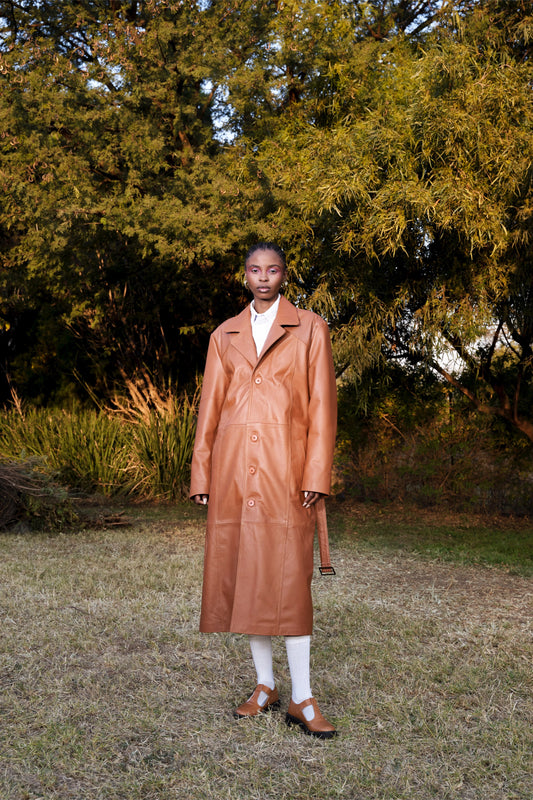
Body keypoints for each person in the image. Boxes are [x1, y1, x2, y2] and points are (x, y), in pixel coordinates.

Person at [190, 242, 337, 738]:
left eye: (272, 269)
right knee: (250, 578)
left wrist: (316, 474)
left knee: (290, 582)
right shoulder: (222, 336)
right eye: (255, 269)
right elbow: (209, 407)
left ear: (284, 275)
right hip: (234, 472)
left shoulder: (310, 327)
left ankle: (302, 697)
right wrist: (202, 472)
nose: (264, 277)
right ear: (244, 275)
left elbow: (322, 409)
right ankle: (265, 685)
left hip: (286, 472)